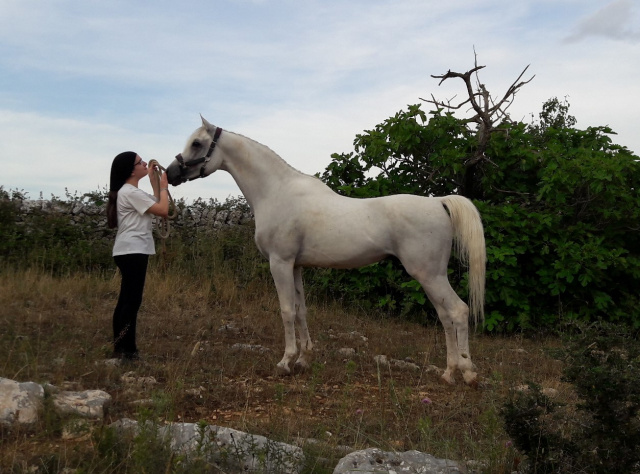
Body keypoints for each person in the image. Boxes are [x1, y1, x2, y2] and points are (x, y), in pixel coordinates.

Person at [106, 151, 169, 360]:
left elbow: (154, 203)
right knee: (132, 301)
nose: (144, 163)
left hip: (128, 250)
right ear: (131, 170)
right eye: (140, 162)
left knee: (126, 300)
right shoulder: (131, 192)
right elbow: (162, 209)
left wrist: (153, 181)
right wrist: (164, 186)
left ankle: (121, 347)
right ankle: (128, 350)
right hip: (134, 250)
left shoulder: (130, 192)